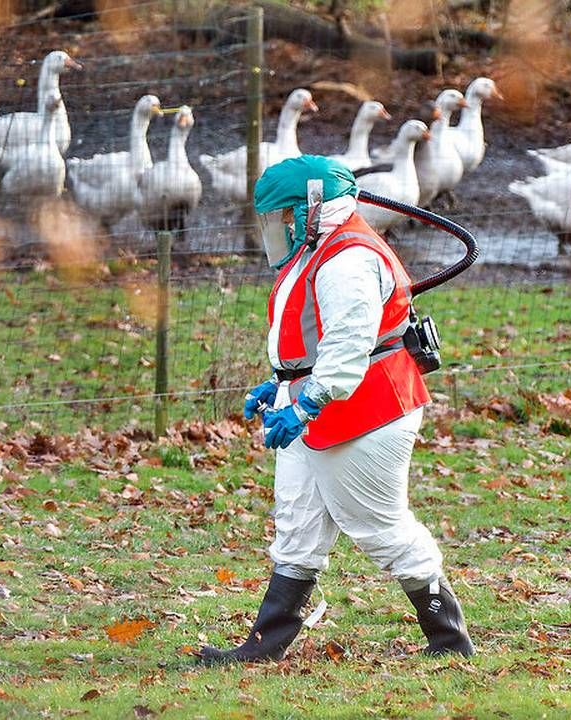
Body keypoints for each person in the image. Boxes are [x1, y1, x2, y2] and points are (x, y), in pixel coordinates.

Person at [198, 155, 474, 665]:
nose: (276, 227)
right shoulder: (320, 246)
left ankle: (449, 639)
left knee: (378, 525)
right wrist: (281, 381)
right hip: (321, 399)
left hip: (364, 406)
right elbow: (313, 334)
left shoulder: (348, 258)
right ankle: (264, 646)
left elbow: (348, 349)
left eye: (281, 215)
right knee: (298, 521)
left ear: (310, 207)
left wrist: (305, 406)